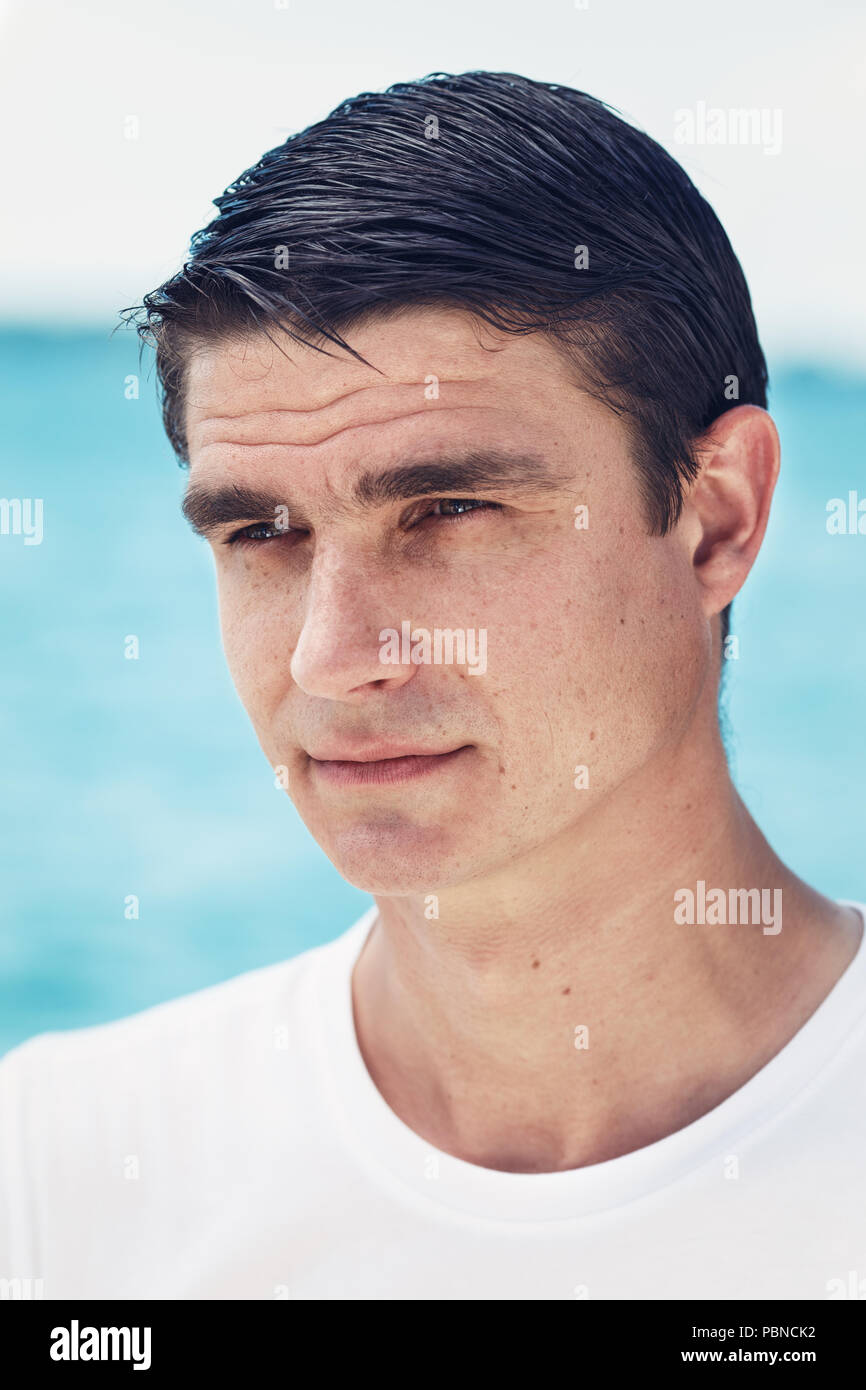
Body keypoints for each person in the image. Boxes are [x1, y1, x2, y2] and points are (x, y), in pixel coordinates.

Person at [1, 71, 863, 1301]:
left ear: (715, 520)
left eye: (449, 510)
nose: (329, 655)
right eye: (261, 532)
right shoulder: (61, 1177)